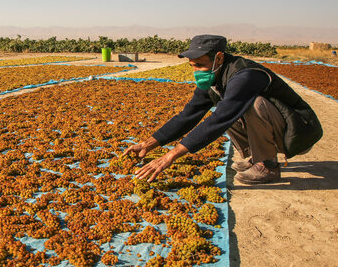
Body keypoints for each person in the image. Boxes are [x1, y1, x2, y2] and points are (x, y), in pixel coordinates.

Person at [124, 34, 323, 184]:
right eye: (192, 66)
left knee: (251, 105)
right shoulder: (213, 80)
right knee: (224, 105)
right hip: (279, 126)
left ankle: (268, 165)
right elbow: (188, 115)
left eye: (200, 65)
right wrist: (148, 144)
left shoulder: (245, 75)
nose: (196, 71)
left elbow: (221, 119)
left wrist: (171, 156)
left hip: (297, 131)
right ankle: (256, 156)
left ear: (219, 58)